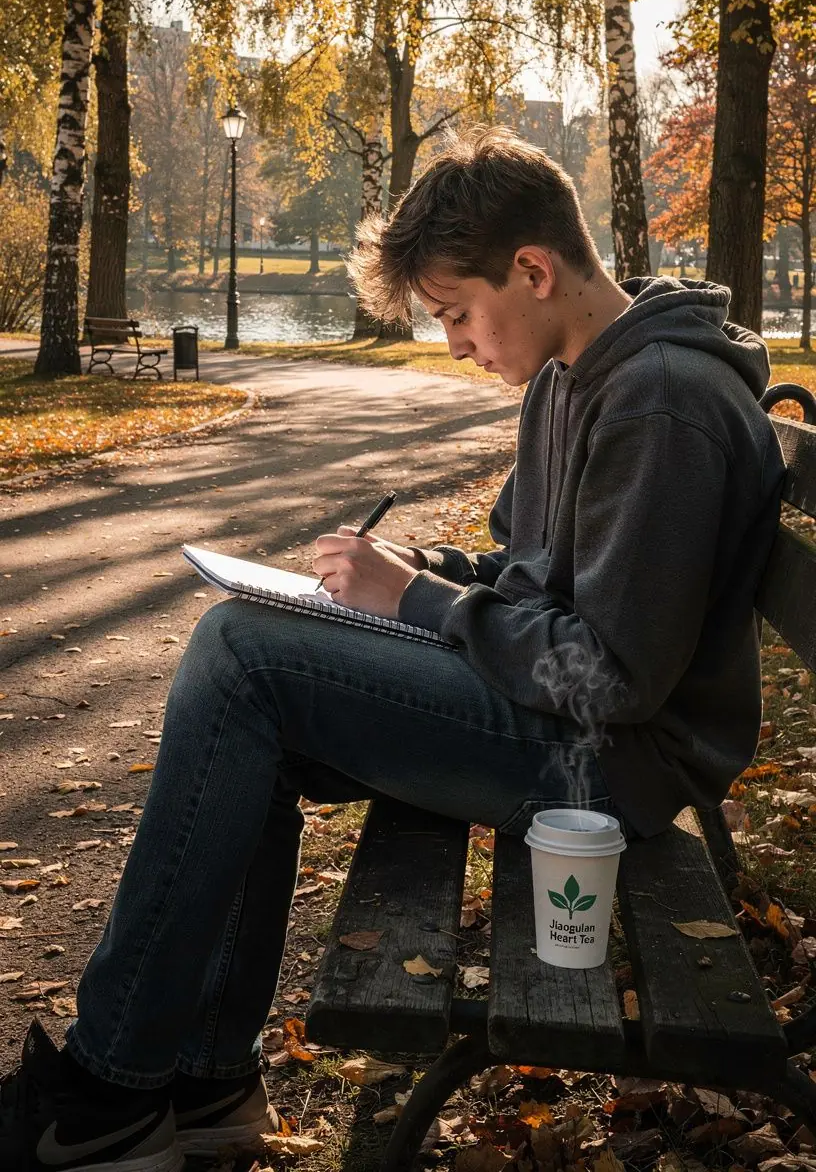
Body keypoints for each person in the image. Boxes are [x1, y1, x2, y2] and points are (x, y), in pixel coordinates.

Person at [2, 127, 785, 1170]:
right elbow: (527, 574)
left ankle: (108, 1091)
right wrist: (417, 567)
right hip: (568, 730)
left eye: (458, 313)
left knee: (243, 660)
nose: (456, 342)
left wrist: (415, 600)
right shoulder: (571, 378)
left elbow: (613, 679)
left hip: (609, 767)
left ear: (535, 270)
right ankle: (197, 1076)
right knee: (255, 689)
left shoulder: (659, 402)